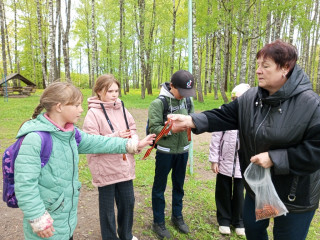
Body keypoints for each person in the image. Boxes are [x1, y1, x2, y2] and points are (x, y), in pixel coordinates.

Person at [168, 40, 320, 240]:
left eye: (265, 66)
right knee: (254, 231)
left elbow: (315, 152)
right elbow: (223, 116)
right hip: (259, 187)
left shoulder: (311, 105)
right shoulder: (251, 98)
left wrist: (275, 158)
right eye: (258, 65)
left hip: (295, 194)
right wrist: (190, 120)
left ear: (285, 68)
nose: (258, 71)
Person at [14, 82, 155, 240]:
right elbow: (24, 184)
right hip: (46, 224)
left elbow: (99, 142)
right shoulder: (35, 139)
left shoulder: (70, 133)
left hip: (63, 220)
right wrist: (38, 219)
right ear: (59, 107)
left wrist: (133, 144)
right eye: (76, 105)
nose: (81, 110)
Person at [82, 74, 139, 240]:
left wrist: (134, 142)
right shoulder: (92, 114)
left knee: (128, 203)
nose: (115, 94)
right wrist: (116, 136)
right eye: (110, 91)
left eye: (117, 90)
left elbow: (133, 128)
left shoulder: (122, 108)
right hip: (105, 168)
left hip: (124, 165)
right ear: (99, 91)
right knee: (107, 209)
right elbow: (91, 143)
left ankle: (126, 235)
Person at [148, 70, 195, 239]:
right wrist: (171, 129)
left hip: (183, 151)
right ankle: (158, 222)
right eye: (181, 92)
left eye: (187, 93)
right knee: (159, 188)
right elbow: (154, 129)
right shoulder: (158, 104)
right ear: (172, 86)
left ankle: (177, 217)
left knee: (179, 186)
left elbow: (193, 119)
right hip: (165, 153)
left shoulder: (188, 101)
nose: (184, 96)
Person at [209, 83, 250, 236]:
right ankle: (224, 220)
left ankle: (239, 221)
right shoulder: (224, 112)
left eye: (238, 99)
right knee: (223, 189)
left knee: (240, 191)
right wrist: (214, 159)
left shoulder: (251, 114)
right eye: (233, 98)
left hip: (243, 162)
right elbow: (216, 137)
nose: (235, 102)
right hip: (224, 160)